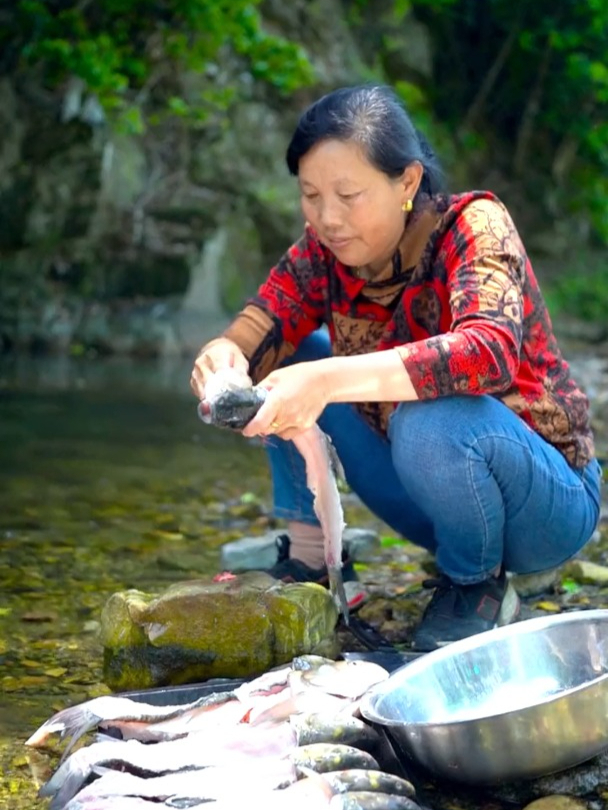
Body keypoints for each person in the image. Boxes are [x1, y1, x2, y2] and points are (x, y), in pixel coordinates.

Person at [190, 84, 602, 652]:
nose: (328, 218)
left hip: (544, 503)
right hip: (431, 499)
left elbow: (488, 350)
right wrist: (223, 358)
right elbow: (262, 325)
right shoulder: (323, 252)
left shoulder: (473, 226)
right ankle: (315, 556)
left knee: (426, 418)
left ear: (406, 181)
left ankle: (474, 586)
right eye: (311, 195)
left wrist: (329, 380)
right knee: (297, 353)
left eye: (348, 195)